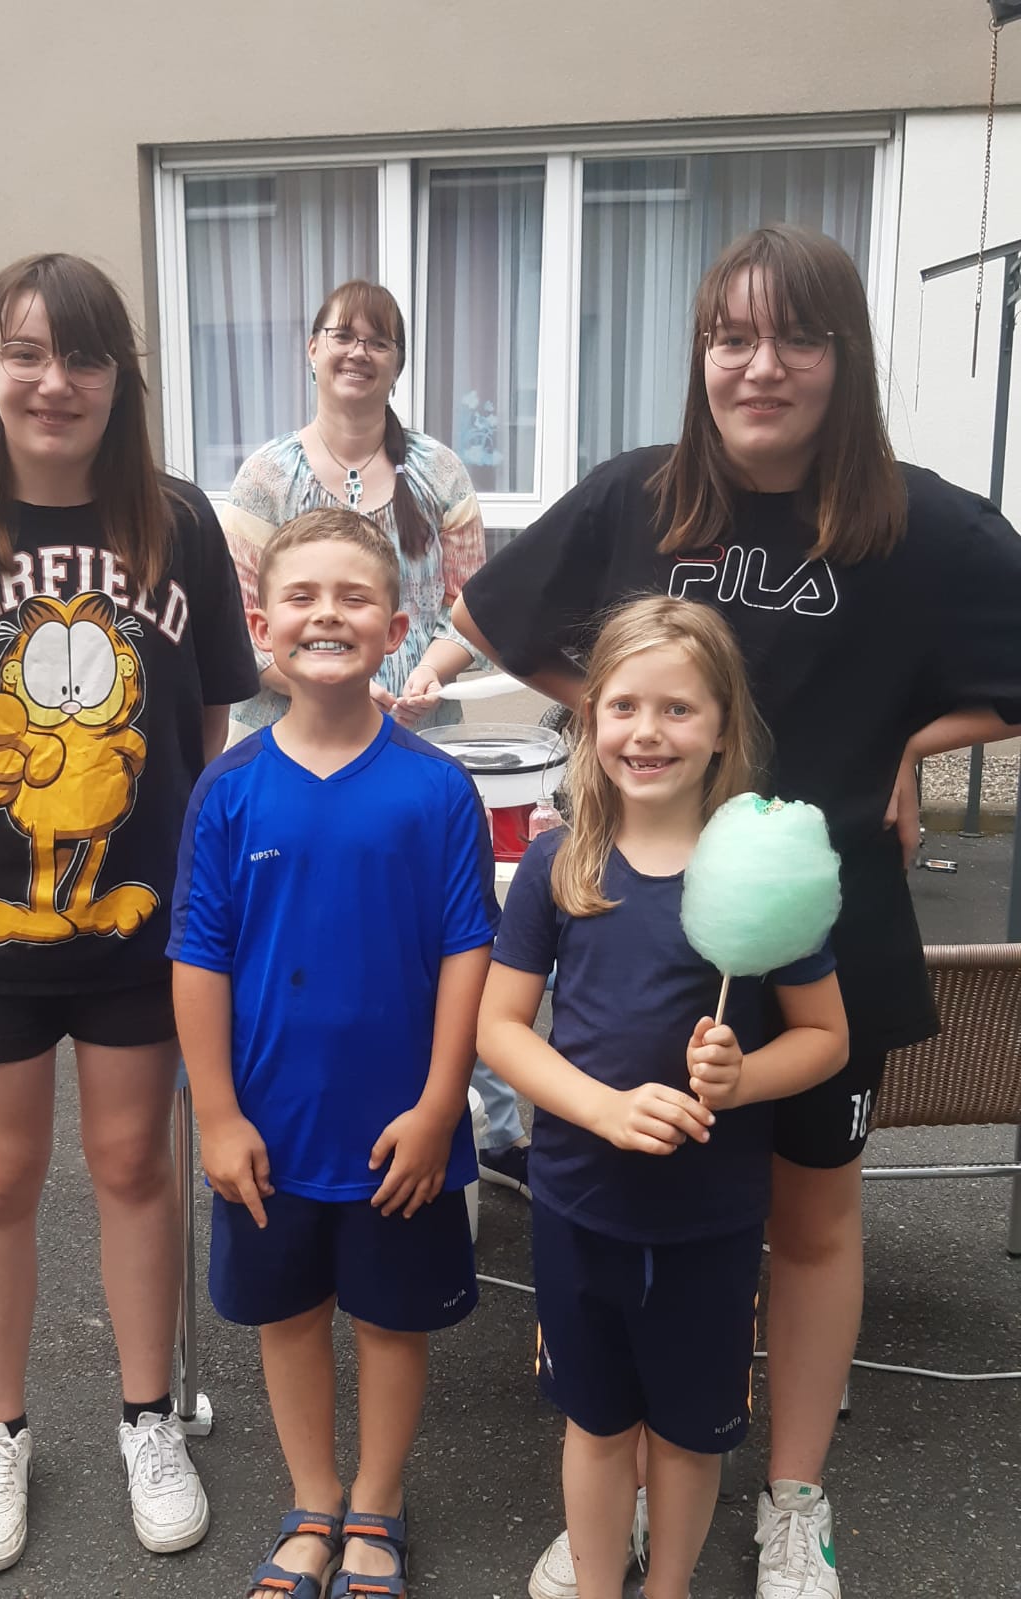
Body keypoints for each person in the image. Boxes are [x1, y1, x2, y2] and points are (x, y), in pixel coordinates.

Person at [454, 224, 1021, 1599]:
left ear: (845, 356)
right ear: (701, 355)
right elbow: (489, 620)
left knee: (809, 1222)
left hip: (822, 932)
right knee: (628, 1211)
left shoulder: (922, 522)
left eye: (797, 337)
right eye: (731, 337)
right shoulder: (636, 499)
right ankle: (626, 1490)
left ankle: (792, 1496)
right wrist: (619, 725)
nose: (760, 366)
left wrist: (908, 742)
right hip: (634, 930)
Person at [0, 253, 259, 1574]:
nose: (55, 382)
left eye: (84, 357)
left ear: (118, 380)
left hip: (143, 927)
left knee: (135, 1164)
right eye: (26, 353)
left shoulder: (178, 524)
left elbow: (203, 723)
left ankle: (149, 1418)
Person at [477, 595, 849, 1599]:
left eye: (679, 709)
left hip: (710, 1220)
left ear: (724, 727)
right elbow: (499, 1027)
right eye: (625, 706)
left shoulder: (764, 877)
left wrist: (744, 1077)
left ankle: (670, 1584)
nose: (648, 732)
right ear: (591, 719)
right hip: (577, 1205)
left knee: (689, 1434)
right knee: (596, 1424)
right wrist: (599, 1107)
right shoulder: (561, 863)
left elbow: (826, 1037)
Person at [169, 507, 499, 1599]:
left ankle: (377, 1508)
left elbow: (467, 953)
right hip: (269, 1129)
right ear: (262, 626)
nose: (327, 615)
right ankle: (313, 1501)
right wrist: (218, 1115)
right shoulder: (228, 789)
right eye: (301, 596)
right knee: (290, 1318)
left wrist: (441, 1106)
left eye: (354, 597)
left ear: (396, 629)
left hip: (398, 1131)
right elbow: (199, 957)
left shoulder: (436, 790)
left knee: (393, 1325)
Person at [219, 276, 529, 1185]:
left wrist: (428, 674)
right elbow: (246, 625)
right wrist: (335, 685)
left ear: (397, 363)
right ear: (311, 351)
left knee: (445, 934)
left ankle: (488, 1127)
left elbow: (474, 606)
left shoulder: (439, 472)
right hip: (292, 742)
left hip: (421, 744)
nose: (357, 351)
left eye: (377, 339)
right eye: (340, 335)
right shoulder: (265, 475)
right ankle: (291, 1116)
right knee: (306, 934)